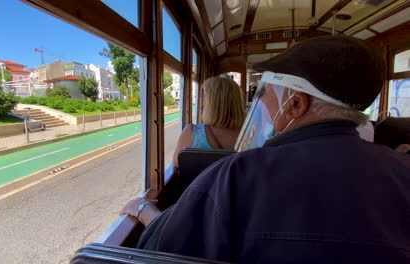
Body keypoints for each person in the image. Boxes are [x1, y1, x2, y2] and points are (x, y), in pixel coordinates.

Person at [120, 36, 410, 263]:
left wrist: (144, 207)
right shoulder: (403, 170)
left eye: (266, 95)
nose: (262, 105)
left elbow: (164, 248)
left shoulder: (238, 174)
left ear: (295, 105)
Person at [171, 76, 245, 169]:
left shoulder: (191, 133)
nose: (202, 100)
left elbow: (176, 163)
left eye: (204, 96)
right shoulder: (250, 135)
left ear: (212, 102)